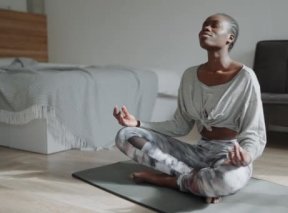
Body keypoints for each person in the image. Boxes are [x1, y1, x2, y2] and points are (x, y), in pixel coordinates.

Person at [113, 13, 266, 204]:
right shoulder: (190, 76)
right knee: (126, 135)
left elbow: (254, 132)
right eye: (204, 26)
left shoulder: (246, 77)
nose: (206, 29)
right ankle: (198, 181)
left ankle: (168, 181)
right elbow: (180, 125)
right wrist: (138, 123)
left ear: (230, 38)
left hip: (229, 156)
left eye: (214, 26)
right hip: (196, 153)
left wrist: (247, 155)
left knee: (226, 180)